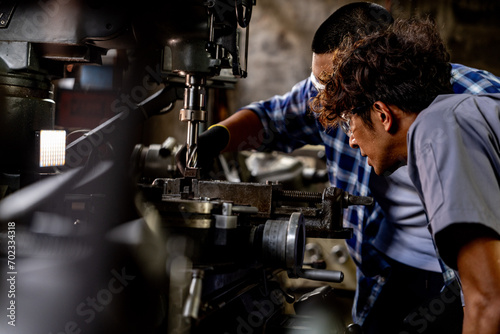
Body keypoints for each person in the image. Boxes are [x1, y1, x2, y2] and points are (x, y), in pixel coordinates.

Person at [177, 3, 500, 333]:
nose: (327, 105)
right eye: (320, 88)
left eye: (333, 88)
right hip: (391, 262)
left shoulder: (457, 116)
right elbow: (269, 119)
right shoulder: (335, 97)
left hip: (464, 267)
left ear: (374, 64)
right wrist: (211, 140)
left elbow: (488, 298)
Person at [312, 16, 500, 333]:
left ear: (383, 114)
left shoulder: (437, 130)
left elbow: (488, 301)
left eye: (349, 124)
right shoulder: (465, 112)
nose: (351, 140)